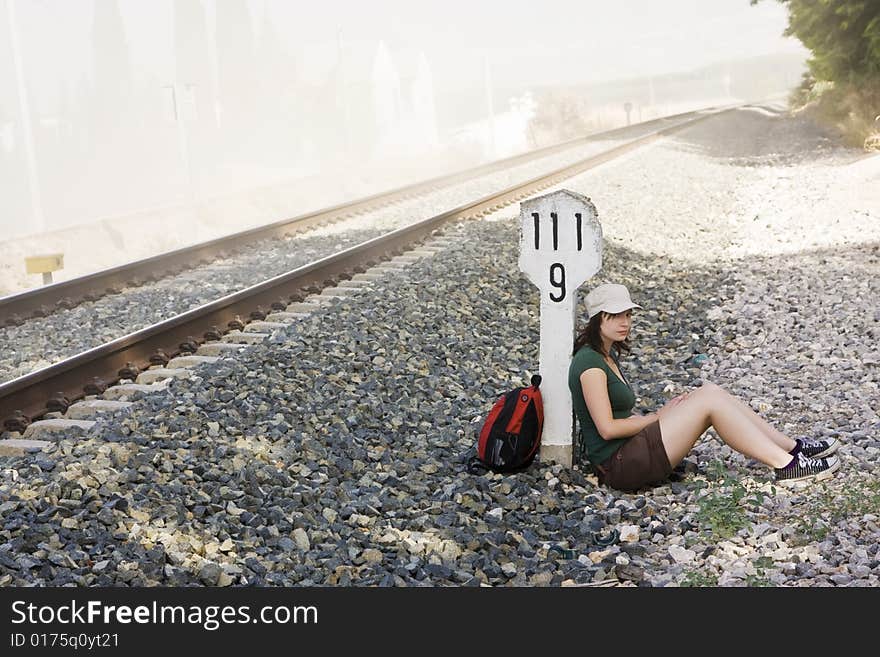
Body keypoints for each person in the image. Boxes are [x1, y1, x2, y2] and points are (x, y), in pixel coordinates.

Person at [568, 283, 840, 492]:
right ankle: (786, 466)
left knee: (710, 392)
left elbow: (619, 418)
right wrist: (655, 418)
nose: (625, 322)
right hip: (621, 466)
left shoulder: (606, 354)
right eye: (615, 316)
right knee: (709, 404)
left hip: (630, 450)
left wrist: (658, 417)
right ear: (597, 319)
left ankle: (793, 450)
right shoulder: (590, 365)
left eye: (627, 314)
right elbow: (607, 428)